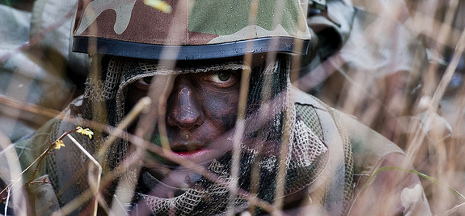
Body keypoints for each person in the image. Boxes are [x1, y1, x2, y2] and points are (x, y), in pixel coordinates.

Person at [0, 0, 431, 215]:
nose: (183, 116)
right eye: (149, 79)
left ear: (271, 79)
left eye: (222, 77)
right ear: (108, 86)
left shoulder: (369, 176)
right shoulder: (28, 181)